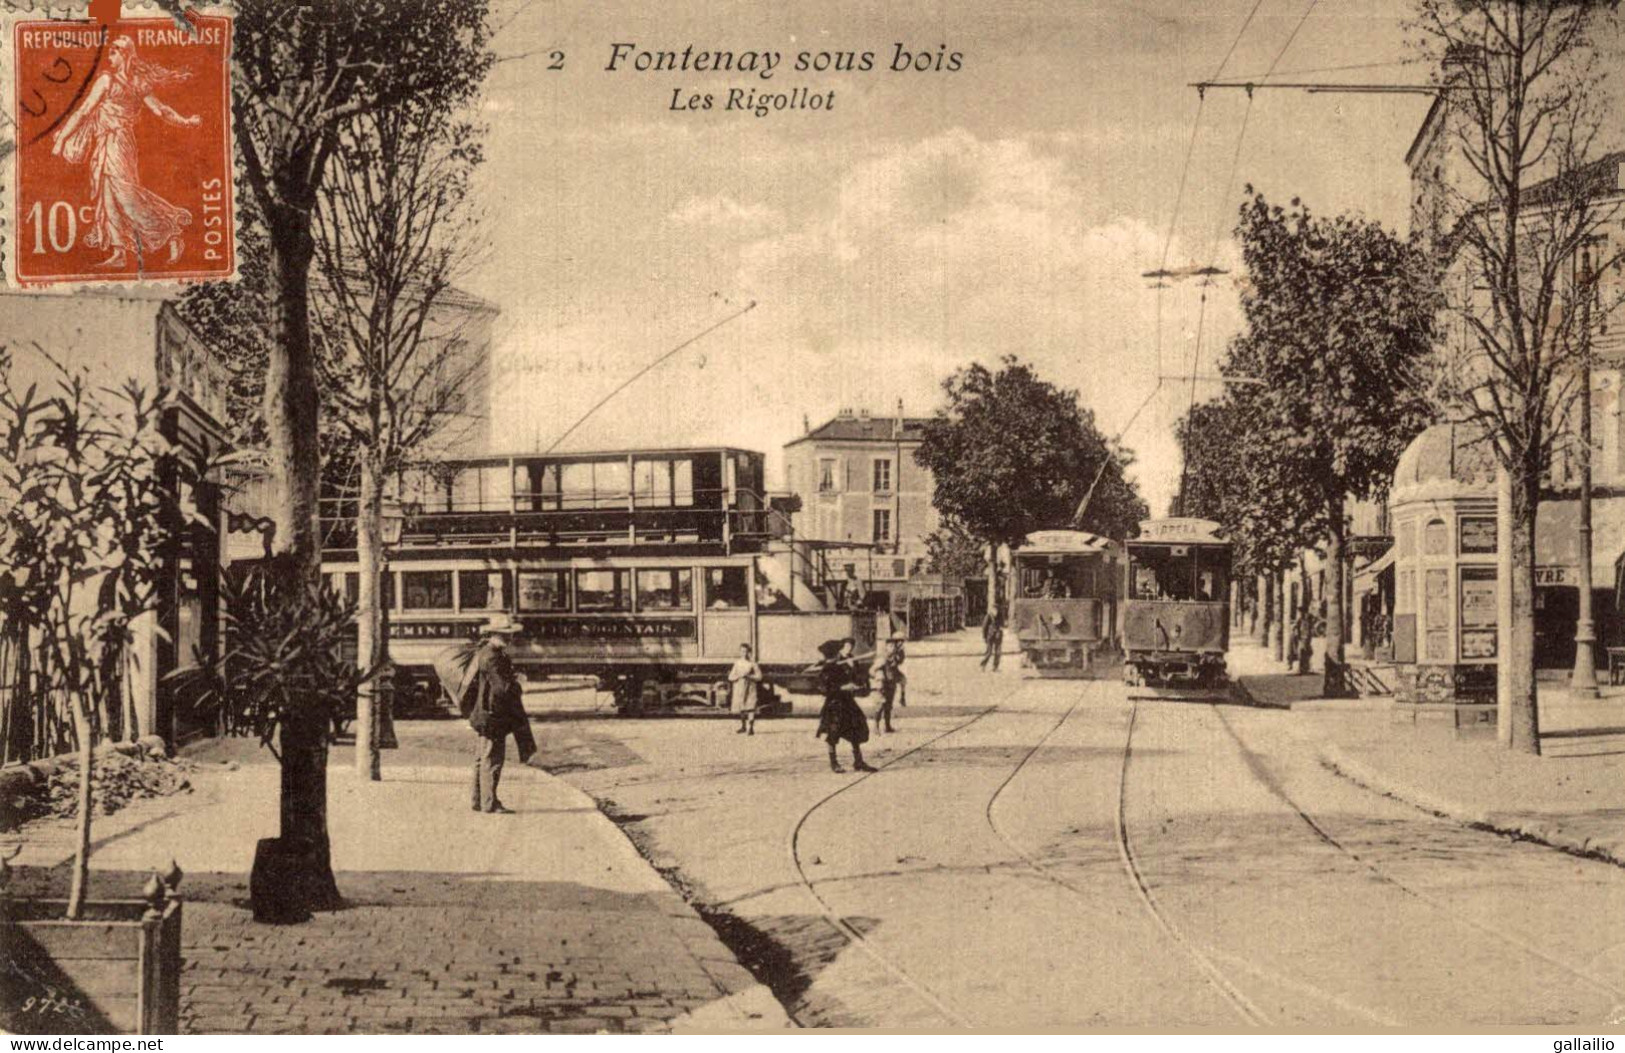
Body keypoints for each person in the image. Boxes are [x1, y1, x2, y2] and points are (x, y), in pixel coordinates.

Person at [51, 36, 199, 269]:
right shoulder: (106, 80)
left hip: (121, 142)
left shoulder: (137, 83)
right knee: (107, 195)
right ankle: (119, 252)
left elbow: (161, 110)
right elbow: (84, 111)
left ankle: (169, 232)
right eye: (110, 52)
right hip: (104, 142)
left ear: (126, 55)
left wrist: (186, 121)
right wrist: (63, 137)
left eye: (115, 52)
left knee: (126, 195)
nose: (110, 56)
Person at [465, 615, 536, 814]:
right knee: (492, 760)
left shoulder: (486, 652)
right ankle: (490, 803)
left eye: (510, 633)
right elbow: (502, 689)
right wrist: (517, 683)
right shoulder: (494, 657)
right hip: (493, 716)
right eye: (506, 634)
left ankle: (478, 800)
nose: (510, 637)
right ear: (495, 634)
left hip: (484, 714)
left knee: (481, 759)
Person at [814, 638, 875, 773]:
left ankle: (858, 761)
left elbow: (855, 678)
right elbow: (824, 689)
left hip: (847, 701)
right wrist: (842, 687)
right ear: (834, 654)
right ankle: (834, 763)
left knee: (856, 726)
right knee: (833, 732)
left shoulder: (843, 664)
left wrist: (854, 673)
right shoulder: (827, 669)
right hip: (834, 703)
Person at [728, 643, 764, 735]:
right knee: (741, 708)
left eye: (746, 651)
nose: (744, 653)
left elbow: (759, 676)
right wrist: (738, 676)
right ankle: (743, 726)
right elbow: (730, 676)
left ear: (749, 652)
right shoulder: (737, 663)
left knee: (750, 707)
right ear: (740, 652)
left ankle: (751, 728)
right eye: (742, 651)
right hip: (740, 687)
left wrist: (749, 676)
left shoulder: (753, 664)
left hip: (750, 687)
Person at [875, 632, 906, 733]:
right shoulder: (882, 658)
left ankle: (887, 726)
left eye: (894, 646)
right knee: (881, 705)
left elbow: (899, 662)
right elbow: (872, 670)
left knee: (889, 705)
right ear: (887, 646)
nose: (893, 647)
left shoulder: (896, 655)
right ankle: (876, 726)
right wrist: (880, 677)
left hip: (891, 682)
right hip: (883, 684)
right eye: (891, 645)